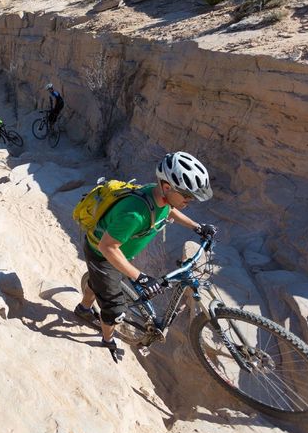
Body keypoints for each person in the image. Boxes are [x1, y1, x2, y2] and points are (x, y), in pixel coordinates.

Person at [74, 152, 217, 361]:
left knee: (100, 285)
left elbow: (168, 211)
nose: (190, 200)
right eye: (187, 195)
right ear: (167, 187)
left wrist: (197, 227)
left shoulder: (158, 196)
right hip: (102, 255)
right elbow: (108, 247)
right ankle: (107, 340)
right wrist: (139, 276)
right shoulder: (135, 214)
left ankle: (84, 308)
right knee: (114, 309)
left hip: (120, 252)